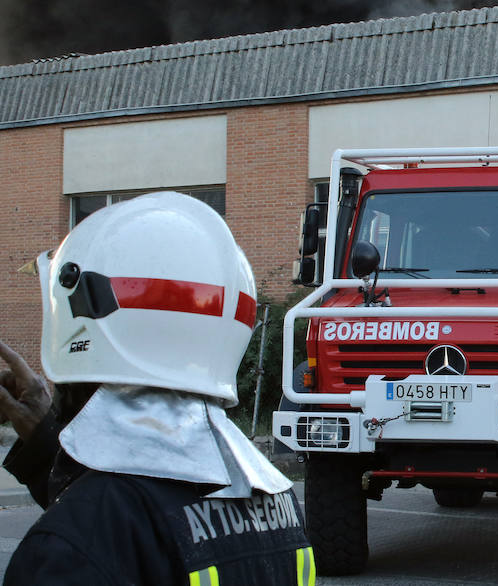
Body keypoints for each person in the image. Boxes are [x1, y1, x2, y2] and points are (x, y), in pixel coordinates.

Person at [0, 192, 315, 585]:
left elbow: (114, 536)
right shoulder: (277, 500)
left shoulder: (68, 546)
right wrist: (49, 440)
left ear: (81, 324)